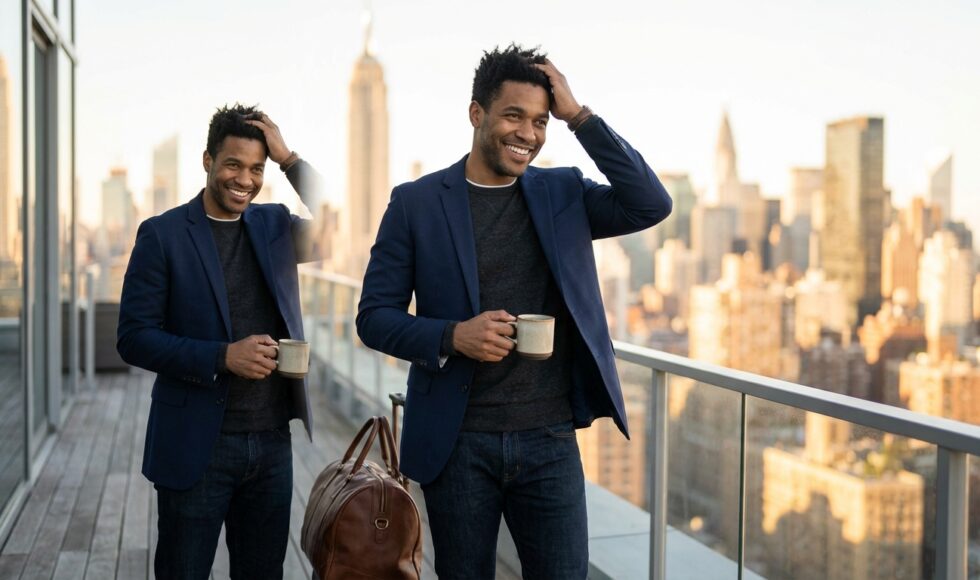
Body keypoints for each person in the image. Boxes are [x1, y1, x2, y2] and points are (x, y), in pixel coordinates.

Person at [356, 44, 672, 579]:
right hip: (457, 444)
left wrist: (579, 116)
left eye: (540, 121)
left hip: (549, 441)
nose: (528, 132)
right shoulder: (416, 203)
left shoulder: (562, 191)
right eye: (513, 115)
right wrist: (453, 336)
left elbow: (650, 203)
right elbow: (373, 317)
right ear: (476, 113)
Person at [117, 104, 323, 579]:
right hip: (196, 447)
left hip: (272, 445)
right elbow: (133, 338)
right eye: (233, 164)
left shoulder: (275, 226)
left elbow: (336, 224)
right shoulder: (162, 235)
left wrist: (289, 159)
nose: (245, 180)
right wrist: (222, 357)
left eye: (257, 169)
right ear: (207, 160)